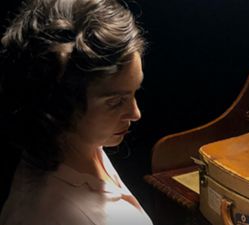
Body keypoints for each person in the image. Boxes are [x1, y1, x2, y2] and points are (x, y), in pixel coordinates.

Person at [0, 0, 152, 224]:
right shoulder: (48, 215)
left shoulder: (82, 145)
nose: (135, 113)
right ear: (58, 105)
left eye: (134, 92)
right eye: (116, 102)